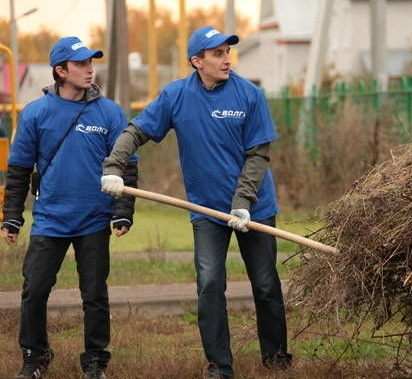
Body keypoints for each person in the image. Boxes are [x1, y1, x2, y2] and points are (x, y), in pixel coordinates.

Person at [100, 26, 291, 379]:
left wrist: (243, 201)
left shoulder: (249, 95)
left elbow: (258, 154)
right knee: (209, 283)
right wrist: (113, 167)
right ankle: (220, 365)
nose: (226, 59)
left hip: (255, 207)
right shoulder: (176, 96)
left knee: (265, 284)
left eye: (227, 52)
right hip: (206, 210)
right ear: (196, 61)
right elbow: (135, 132)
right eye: (217, 54)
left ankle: (276, 358)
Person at [1, 36, 138, 379]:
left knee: (94, 293)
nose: (89, 69)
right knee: (34, 290)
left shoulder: (109, 111)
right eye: (81, 64)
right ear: (60, 71)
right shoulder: (36, 113)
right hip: (49, 219)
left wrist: (123, 210)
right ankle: (35, 357)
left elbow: (126, 167)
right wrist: (12, 217)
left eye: (91, 62)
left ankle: (94, 361)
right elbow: (18, 170)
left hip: (94, 217)